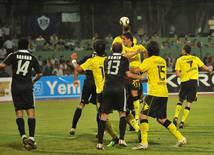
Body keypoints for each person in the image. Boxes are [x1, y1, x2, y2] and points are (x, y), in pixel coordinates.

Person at [131, 39, 187, 150]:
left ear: (148, 51)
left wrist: (126, 65)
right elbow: (155, 76)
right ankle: (181, 138)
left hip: (154, 93)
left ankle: (144, 142)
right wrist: (141, 81)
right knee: (161, 119)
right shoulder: (162, 61)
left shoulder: (148, 60)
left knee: (142, 115)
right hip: (163, 93)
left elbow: (136, 70)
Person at [97, 42, 147, 150]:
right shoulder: (124, 60)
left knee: (104, 115)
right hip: (119, 88)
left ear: (112, 50)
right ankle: (121, 139)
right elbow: (128, 74)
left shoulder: (107, 59)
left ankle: (100, 143)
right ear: (121, 50)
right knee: (122, 113)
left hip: (107, 87)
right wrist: (140, 76)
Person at [71, 40, 119, 146]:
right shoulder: (109, 59)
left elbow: (78, 68)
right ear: (105, 49)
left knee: (102, 115)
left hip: (101, 91)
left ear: (94, 49)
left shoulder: (91, 60)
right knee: (122, 112)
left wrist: (74, 60)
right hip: (112, 89)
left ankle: (103, 141)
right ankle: (120, 137)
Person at [0, 38, 42, 150]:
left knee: (19, 111)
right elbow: (40, 73)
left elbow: (2, 66)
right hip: (27, 87)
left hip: (16, 87)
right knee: (30, 111)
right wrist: (33, 80)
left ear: (18, 46)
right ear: (28, 46)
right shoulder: (32, 57)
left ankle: (23, 136)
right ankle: (31, 138)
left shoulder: (13, 55)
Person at [173, 45, 213, 128]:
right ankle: (182, 122)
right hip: (193, 83)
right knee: (189, 102)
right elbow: (204, 67)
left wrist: (183, 75)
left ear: (184, 51)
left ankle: (176, 117)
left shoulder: (179, 60)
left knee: (180, 100)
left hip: (184, 82)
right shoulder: (195, 58)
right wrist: (209, 69)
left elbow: (177, 74)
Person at [69, 48, 97, 135]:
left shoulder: (88, 56)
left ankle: (73, 128)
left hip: (88, 83)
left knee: (81, 105)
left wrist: (75, 80)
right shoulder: (104, 57)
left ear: (93, 48)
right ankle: (101, 131)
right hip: (98, 84)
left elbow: (77, 68)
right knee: (100, 108)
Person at [121, 32, 147, 123]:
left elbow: (145, 51)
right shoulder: (123, 48)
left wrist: (144, 63)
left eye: (124, 39)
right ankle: (129, 117)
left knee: (135, 94)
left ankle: (136, 117)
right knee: (127, 96)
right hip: (126, 74)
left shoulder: (138, 46)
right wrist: (136, 53)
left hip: (135, 74)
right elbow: (125, 56)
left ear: (129, 39)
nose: (122, 40)